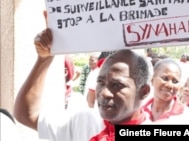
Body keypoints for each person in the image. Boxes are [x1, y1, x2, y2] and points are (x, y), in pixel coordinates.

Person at [14, 28, 152, 141]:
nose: (104, 93)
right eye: (100, 82)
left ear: (144, 91)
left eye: (117, 85)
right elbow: (26, 115)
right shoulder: (83, 121)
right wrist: (44, 60)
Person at [143, 58, 189, 124]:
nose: (169, 85)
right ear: (152, 80)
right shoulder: (139, 112)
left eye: (175, 81)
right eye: (165, 78)